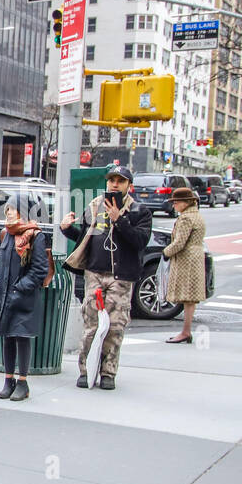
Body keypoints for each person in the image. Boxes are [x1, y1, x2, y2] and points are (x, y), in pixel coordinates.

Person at [60, 163, 151, 390]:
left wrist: (119, 219)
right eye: (112, 180)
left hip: (120, 277)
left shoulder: (139, 211)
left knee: (115, 327)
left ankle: (108, 372)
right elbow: (84, 238)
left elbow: (139, 242)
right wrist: (67, 229)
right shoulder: (94, 206)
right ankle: (86, 370)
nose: (115, 184)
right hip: (94, 273)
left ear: (129, 185)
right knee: (91, 325)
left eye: (120, 181)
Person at [0, 202, 50, 402]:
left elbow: (40, 269)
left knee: (21, 336)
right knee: (7, 336)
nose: (8, 214)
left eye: (12, 210)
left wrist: (20, 287)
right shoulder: (4, 234)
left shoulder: (35, 235)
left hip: (23, 296)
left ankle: (23, 382)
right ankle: (8, 380)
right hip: (4, 295)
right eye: (7, 211)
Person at [161, 187, 207, 343]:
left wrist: (166, 252)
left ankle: (186, 332)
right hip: (195, 257)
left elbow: (179, 242)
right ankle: (186, 331)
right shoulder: (197, 216)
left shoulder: (186, 218)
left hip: (186, 258)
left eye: (175, 202)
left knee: (187, 296)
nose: (174, 205)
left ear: (185, 202)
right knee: (190, 299)